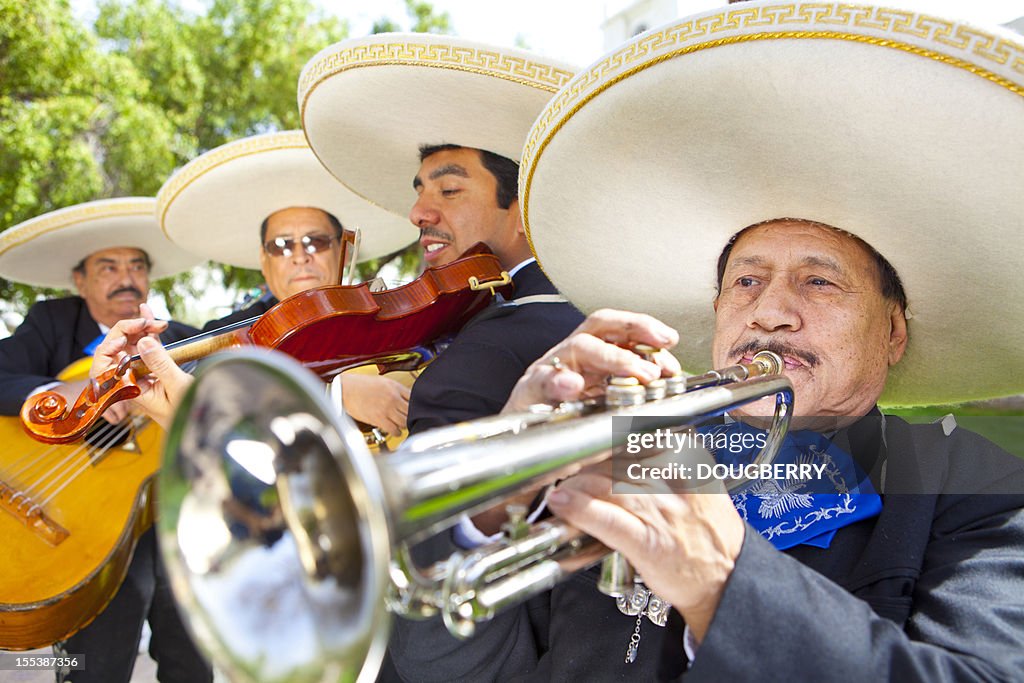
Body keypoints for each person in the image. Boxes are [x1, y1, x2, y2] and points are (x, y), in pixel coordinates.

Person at [379, 4, 1024, 680]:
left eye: (819, 283)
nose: (770, 311)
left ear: (892, 333)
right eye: (746, 281)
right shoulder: (629, 453)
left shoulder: (974, 483)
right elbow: (455, 669)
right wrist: (496, 492)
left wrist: (725, 584)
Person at [299, 33, 586, 434]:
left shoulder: (480, 356)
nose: (417, 213)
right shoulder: (585, 308)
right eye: (419, 192)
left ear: (525, 212)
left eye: (449, 191)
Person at [0, 198, 212, 682]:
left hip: (171, 519)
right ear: (80, 281)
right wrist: (73, 392)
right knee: (95, 666)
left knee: (192, 658)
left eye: (136, 265)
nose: (127, 277)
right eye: (108, 266)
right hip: (81, 520)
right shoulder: (53, 322)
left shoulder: (181, 339)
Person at [156, 130, 419, 436]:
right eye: (281, 246)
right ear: (265, 262)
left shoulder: (384, 315)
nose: (299, 256)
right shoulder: (243, 331)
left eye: (316, 241)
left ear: (341, 251)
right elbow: (192, 371)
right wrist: (332, 393)